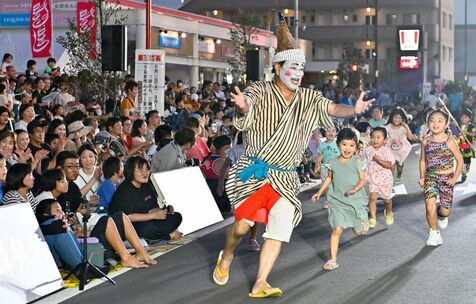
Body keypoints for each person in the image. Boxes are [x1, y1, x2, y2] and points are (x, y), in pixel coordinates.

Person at [212, 15, 373, 297]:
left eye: (301, 67)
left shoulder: (308, 98)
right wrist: (241, 107)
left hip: (286, 177)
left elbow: (333, 108)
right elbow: (246, 106)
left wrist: (354, 110)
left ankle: (260, 282)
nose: (298, 73)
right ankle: (226, 256)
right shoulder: (260, 90)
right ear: (277, 68)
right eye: (293, 67)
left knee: (277, 232)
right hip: (257, 172)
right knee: (240, 227)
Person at [311, 128, 369, 270]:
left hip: (355, 201)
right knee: (337, 229)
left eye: (351, 145)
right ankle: (333, 260)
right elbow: (329, 178)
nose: (347, 148)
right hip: (337, 200)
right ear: (338, 145)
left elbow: (363, 180)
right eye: (344, 144)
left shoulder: (357, 162)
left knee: (359, 231)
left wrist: (355, 189)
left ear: (355, 148)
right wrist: (319, 192)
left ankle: (361, 221)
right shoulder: (332, 162)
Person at [109, 156, 183, 244]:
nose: (145, 173)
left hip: (147, 220)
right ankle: (167, 236)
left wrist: (164, 211)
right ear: (130, 171)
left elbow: (153, 208)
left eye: (147, 169)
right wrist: (153, 216)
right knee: (146, 229)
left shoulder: (147, 185)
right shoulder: (124, 190)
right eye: (140, 170)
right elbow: (128, 217)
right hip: (130, 225)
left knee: (177, 217)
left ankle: (154, 238)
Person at [419, 109, 463, 246]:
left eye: (440, 121)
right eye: (431, 120)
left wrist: (454, 178)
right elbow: (422, 160)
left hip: (447, 179)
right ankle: (433, 233)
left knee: (445, 210)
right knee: (429, 207)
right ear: (427, 123)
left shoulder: (450, 141)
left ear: (446, 124)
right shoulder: (425, 141)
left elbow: (460, 160)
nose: (435, 123)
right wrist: (422, 176)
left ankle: (442, 215)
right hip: (431, 176)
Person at [365, 127, 396, 228]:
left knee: (387, 200)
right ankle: (372, 218)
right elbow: (362, 160)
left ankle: (389, 212)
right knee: (372, 197)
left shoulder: (386, 151)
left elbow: (390, 165)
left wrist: (380, 161)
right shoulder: (368, 150)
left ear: (385, 140)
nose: (375, 140)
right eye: (373, 137)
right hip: (373, 178)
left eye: (378, 137)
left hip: (385, 179)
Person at [385, 108, 417, 184]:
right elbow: (384, 136)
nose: (397, 119)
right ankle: (390, 180)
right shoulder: (388, 126)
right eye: (395, 117)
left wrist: (406, 126)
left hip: (402, 149)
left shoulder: (403, 127)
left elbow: (410, 138)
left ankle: (399, 175)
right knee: (391, 165)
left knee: (400, 167)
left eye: (399, 118)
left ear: (402, 119)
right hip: (390, 148)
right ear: (392, 117)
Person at [314, 126, 340, 209]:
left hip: (337, 168)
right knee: (326, 186)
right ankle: (328, 200)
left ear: (336, 132)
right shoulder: (322, 144)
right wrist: (317, 165)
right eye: (328, 131)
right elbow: (319, 156)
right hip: (325, 168)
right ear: (324, 133)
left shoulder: (338, 143)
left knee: (337, 185)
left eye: (333, 131)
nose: (330, 133)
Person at [458, 108, 475, 182]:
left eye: (465, 117)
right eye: (462, 117)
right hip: (460, 148)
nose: (463, 118)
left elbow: (475, 134)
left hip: (468, 148)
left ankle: (466, 169)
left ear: (469, 118)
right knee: (461, 162)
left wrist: (466, 132)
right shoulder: (458, 125)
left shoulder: (471, 126)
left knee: (467, 163)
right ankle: (463, 173)